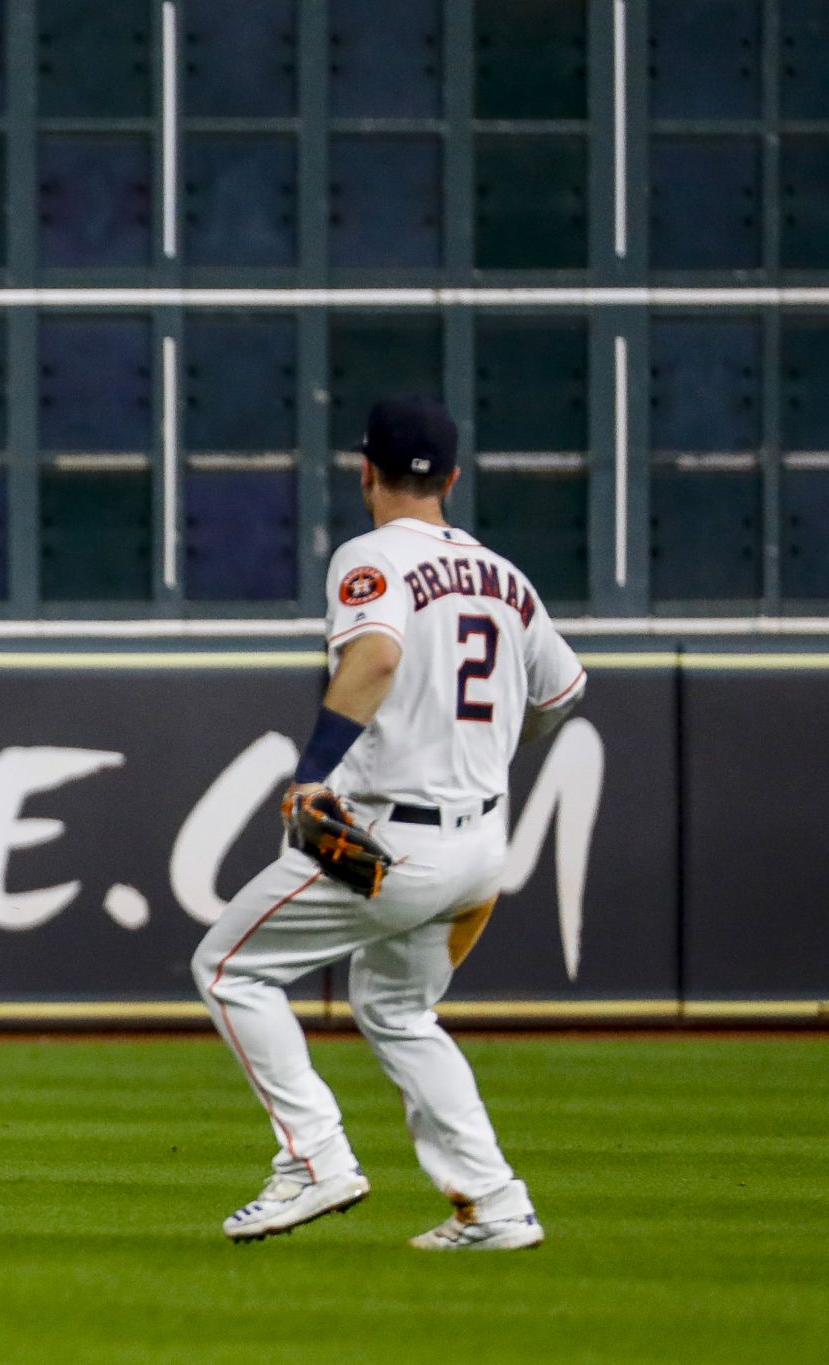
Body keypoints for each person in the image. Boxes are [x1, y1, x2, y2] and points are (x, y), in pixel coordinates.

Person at [192, 396, 586, 1251]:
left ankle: (314, 1158)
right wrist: (476, 754)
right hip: (480, 844)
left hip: (390, 843)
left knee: (227, 966)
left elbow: (374, 655)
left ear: (364, 470)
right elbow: (562, 693)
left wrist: (310, 773)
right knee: (399, 1010)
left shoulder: (370, 556)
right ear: (450, 478)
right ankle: (494, 1200)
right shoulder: (506, 576)